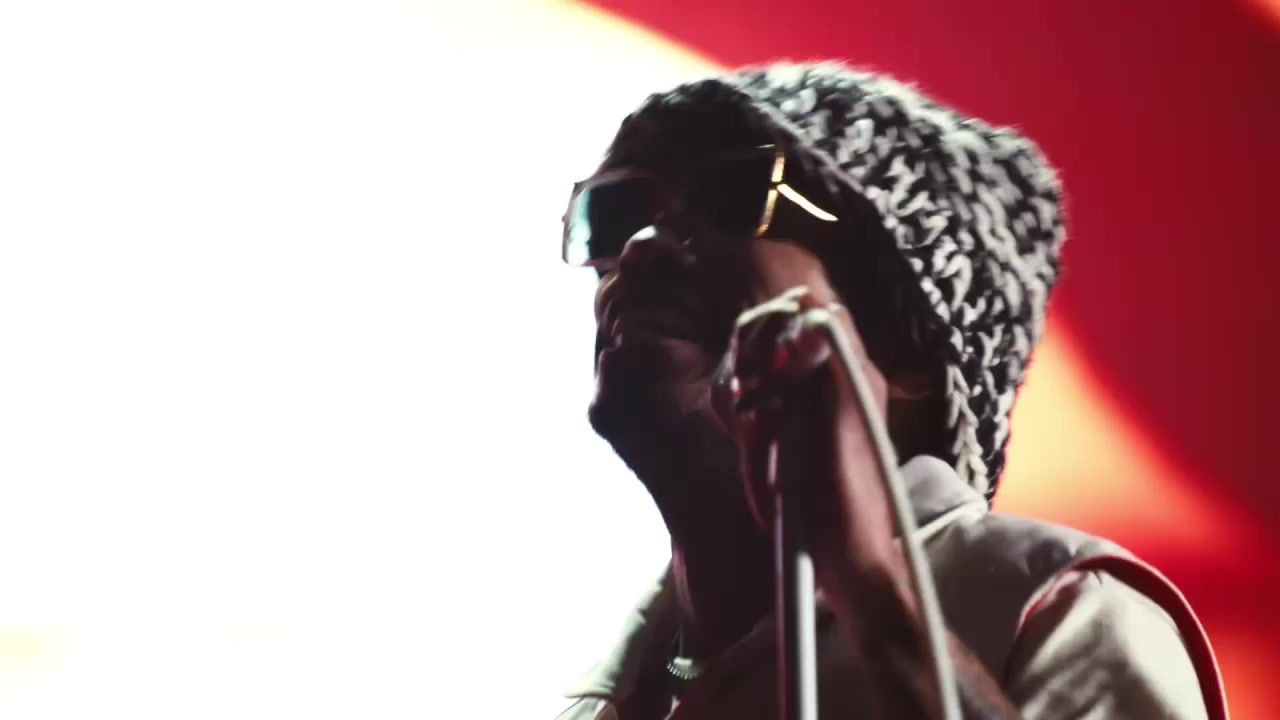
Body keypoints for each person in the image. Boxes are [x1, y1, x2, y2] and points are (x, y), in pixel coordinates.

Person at [555, 62, 1226, 720]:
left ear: (907, 351)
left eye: (728, 204)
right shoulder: (601, 696)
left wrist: (874, 591)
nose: (640, 247)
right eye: (615, 215)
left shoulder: (1061, 609)